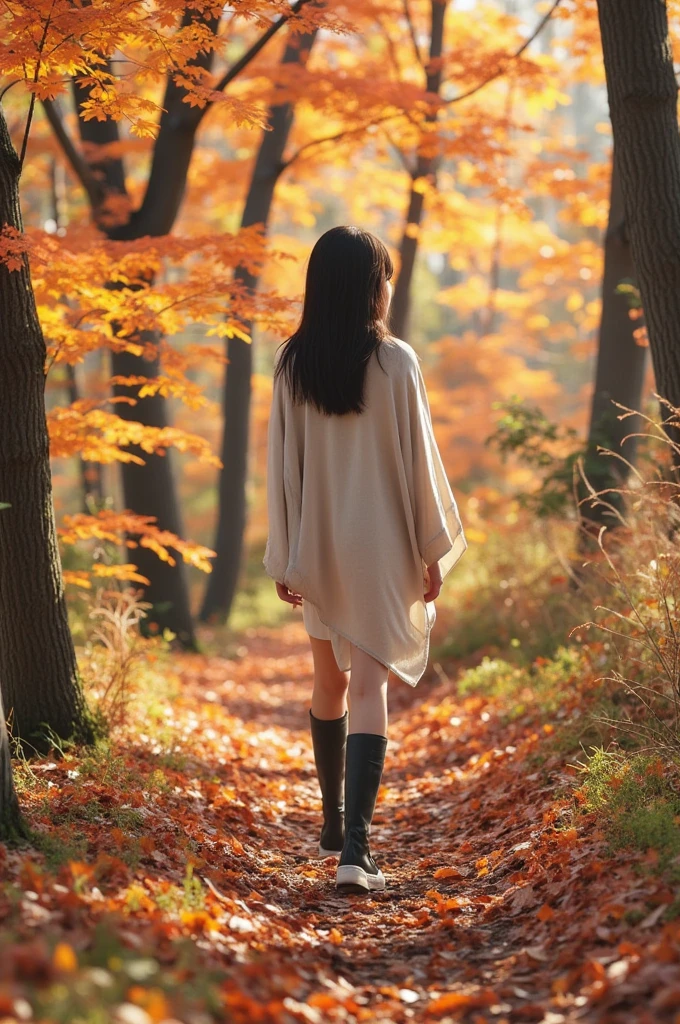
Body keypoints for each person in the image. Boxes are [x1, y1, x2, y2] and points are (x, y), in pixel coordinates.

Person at [263, 226, 466, 894]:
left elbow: (282, 469)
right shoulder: (397, 362)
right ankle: (356, 847)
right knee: (371, 685)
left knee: (330, 686)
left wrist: (287, 553)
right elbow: (419, 467)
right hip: (380, 547)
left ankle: (331, 823)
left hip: (318, 545)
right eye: (384, 276)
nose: (388, 286)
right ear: (371, 286)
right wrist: (429, 550)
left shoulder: (292, 364)